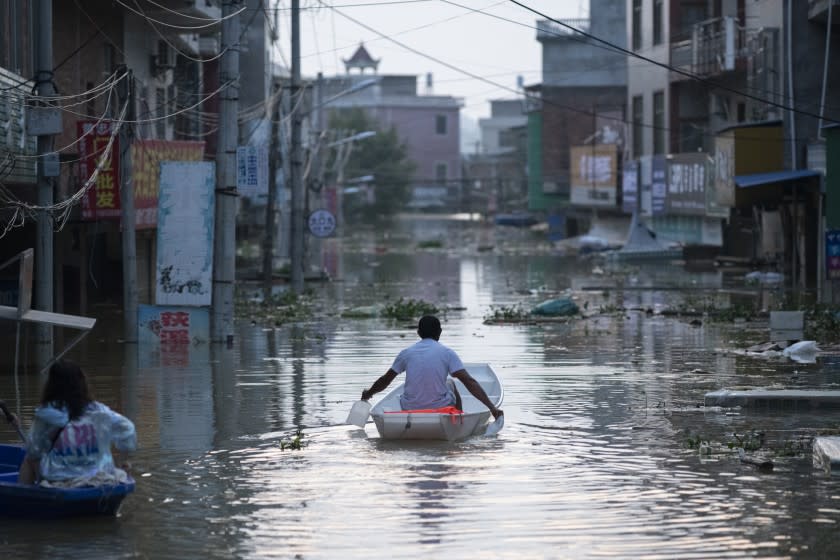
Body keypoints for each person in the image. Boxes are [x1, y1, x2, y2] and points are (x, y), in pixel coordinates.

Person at [17, 360, 137, 487]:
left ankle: (22, 499)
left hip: (59, 476)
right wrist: (123, 458)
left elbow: (33, 449)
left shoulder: (48, 413)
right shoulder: (100, 411)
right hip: (100, 472)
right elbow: (128, 429)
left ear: (52, 385)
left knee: (29, 459)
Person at [361, 315, 503, 419]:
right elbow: (469, 382)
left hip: (410, 408)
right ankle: (458, 420)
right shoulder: (447, 353)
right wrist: (492, 408)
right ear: (440, 332)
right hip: (440, 408)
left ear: (418, 333)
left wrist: (368, 393)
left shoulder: (406, 353)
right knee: (451, 383)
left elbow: (385, 380)